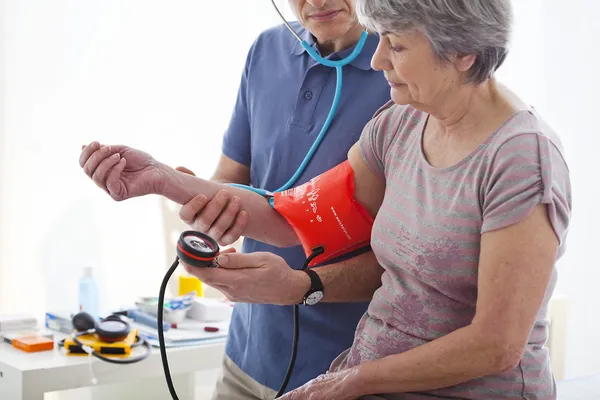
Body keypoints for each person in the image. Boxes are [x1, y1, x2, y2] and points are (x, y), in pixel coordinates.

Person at [79, 0, 572, 398]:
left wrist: (355, 379)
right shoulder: (400, 124)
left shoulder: (521, 158)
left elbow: (496, 345)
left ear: (462, 52)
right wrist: (162, 179)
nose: (379, 60)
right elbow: (295, 216)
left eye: (396, 46)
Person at [83, 1, 389, 398]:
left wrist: (299, 286)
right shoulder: (266, 51)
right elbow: (231, 182)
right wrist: (181, 191)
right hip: (246, 357)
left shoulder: (402, 74)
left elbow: (405, 259)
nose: (315, 2)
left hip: (342, 372)